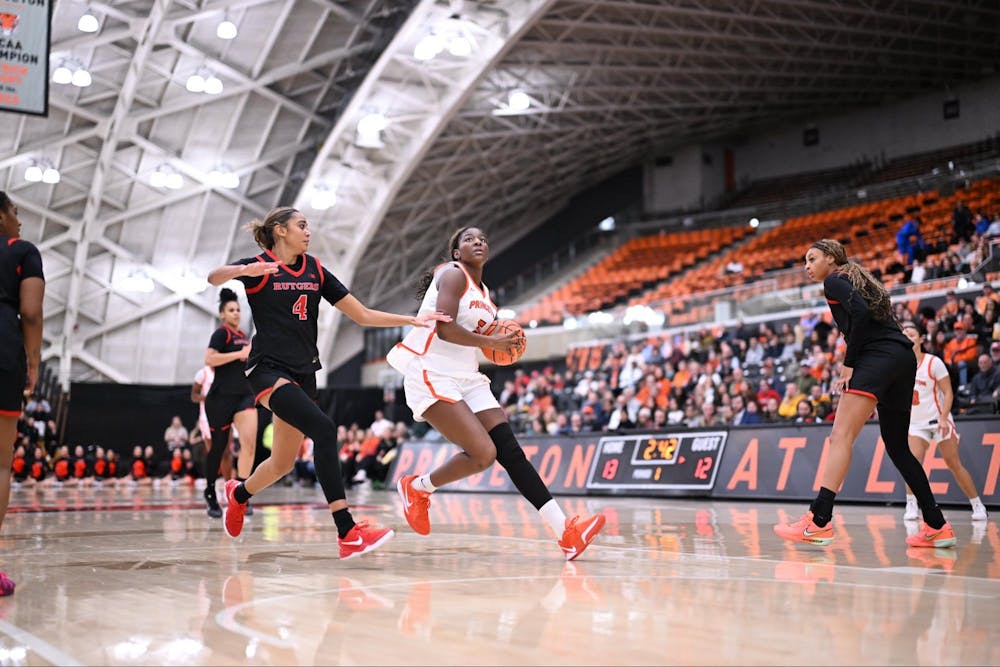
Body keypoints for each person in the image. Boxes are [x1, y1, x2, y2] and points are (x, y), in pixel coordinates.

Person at [207, 206, 448, 559]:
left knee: (282, 463)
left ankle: (238, 494)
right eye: (301, 226)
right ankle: (347, 530)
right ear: (280, 231)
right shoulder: (261, 268)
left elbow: (362, 314)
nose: (308, 232)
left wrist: (413, 319)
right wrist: (245, 270)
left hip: (304, 372)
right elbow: (214, 277)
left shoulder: (315, 269)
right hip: (268, 370)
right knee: (324, 429)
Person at [388, 226, 606, 560]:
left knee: (510, 452)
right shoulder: (452, 274)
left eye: (482, 239)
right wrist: (491, 342)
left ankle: (566, 533)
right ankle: (416, 488)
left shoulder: (487, 297)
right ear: (457, 252)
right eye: (468, 239)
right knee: (483, 454)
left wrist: (502, 344)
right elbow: (445, 329)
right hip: (430, 370)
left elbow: (485, 338)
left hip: (468, 377)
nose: (477, 241)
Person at [773, 239, 955, 548]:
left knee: (840, 437)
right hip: (902, 358)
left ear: (831, 258)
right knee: (898, 448)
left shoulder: (834, 280)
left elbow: (857, 312)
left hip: (877, 359)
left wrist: (849, 364)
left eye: (812, 258)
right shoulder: (856, 280)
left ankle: (819, 521)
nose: (807, 266)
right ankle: (937, 525)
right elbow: (867, 314)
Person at [899, 322, 987, 522]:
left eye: (912, 334)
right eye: (904, 334)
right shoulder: (900, 367)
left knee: (954, 463)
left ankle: (977, 504)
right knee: (912, 464)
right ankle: (911, 505)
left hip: (939, 420)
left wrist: (944, 417)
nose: (908, 337)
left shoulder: (933, 362)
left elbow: (948, 393)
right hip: (916, 423)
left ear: (921, 339)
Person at [0, 192, 43, 595]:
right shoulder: (22, 251)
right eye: (15, 212)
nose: (19, 220)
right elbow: (30, 311)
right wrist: (33, 361)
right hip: (4, 350)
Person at [199, 288, 257, 518]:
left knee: (249, 444)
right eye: (231, 310)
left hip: (244, 396)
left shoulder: (244, 336)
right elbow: (209, 359)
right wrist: (238, 355)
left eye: (238, 309)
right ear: (222, 314)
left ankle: (240, 495)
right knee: (219, 450)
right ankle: (211, 492)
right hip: (220, 398)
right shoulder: (221, 334)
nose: (236, 313)